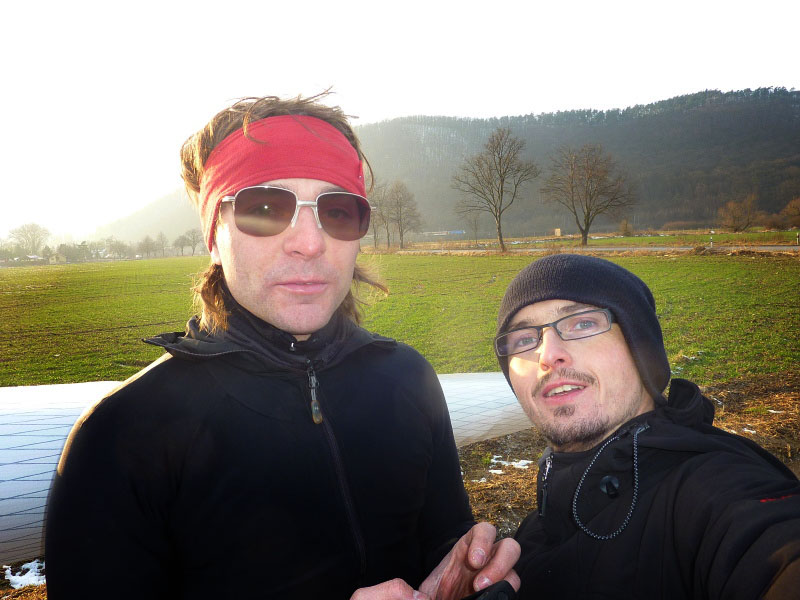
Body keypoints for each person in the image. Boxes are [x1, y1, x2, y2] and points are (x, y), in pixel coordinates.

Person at [45, 93, 519, 599]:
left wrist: (465, 570)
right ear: (214, 234)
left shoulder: (408, 378)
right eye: (266, 208)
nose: (310, 243)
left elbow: (440, 540)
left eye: (337, 211)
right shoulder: (123, 435)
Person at [493, 253, 800, 599]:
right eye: (524, 340)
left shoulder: (710, 490)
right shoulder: (533, 532)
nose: (548, 356)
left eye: (583, 324)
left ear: (641, 349)